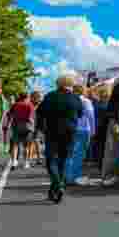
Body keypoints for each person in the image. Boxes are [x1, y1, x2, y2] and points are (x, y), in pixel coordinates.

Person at [36, 75, 84, 203]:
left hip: (52, 132)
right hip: (70, 132)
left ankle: (57, 185)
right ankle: (56, 188)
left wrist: (41, 128)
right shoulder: (75, 98)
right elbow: (80, 113)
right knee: (63, 160)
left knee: (51, 159)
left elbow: (40, 112)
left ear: (58, 84)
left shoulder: (50, 96)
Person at [66, 84, 95, 185]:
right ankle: (75, 176)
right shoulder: (86, 101)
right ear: (83, 91)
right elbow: (90, 116)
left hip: (70, 129)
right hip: (84, 129)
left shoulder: (68, 100)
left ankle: (67, 176)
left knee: (70, 154)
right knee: (80, 154)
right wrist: (93, 130)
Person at [8, 92, 35, 169]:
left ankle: (14, 162)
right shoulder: (30, 105)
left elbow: (10, 114)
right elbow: (30, 117)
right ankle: (26, 162)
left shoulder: (15, 104)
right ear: (27, 97)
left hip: (16, 126)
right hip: (27, 127)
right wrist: (33, 127)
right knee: (26, 146)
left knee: (15, 145)